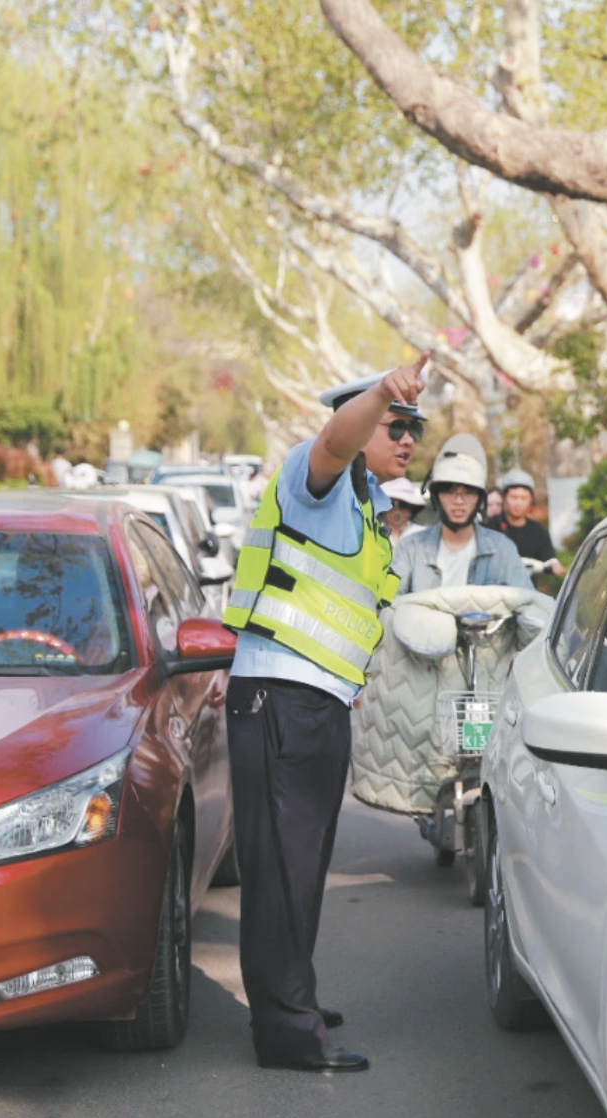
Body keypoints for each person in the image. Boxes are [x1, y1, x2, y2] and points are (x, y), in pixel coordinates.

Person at [220, 356, 429, 1074]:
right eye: (395, 425)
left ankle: (293, 994)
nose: (406, 438)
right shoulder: (319, 478)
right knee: (282, 867)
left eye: (413, 429)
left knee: (301, 866)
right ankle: (286, 1031)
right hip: (278, 699)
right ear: (364, 418)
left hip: (313, 703)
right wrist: (378, 394)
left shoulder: (368, 508)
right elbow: (335, 442)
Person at [392, 436, 535, 593]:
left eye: (468, 493)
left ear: (480, 499)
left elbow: (528, 604)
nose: (459, 501)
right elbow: (389, 605)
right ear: (436, 497)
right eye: (450, 491)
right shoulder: (411, 548)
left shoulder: (502, 549)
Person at [496, 468, 566, 576]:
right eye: (514, 497)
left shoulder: (538, 531)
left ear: (531, 500)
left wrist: (554, 564)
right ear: (504, 498)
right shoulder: (490, 527)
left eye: (523, 498)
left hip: (527, 590)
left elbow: (549, 557)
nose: (518, 503)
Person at [378, 477, 428, 543]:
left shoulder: (424, 534)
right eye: (390, 504)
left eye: (403, 505)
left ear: (412, 509)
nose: (396, 511)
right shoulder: (373, 533)